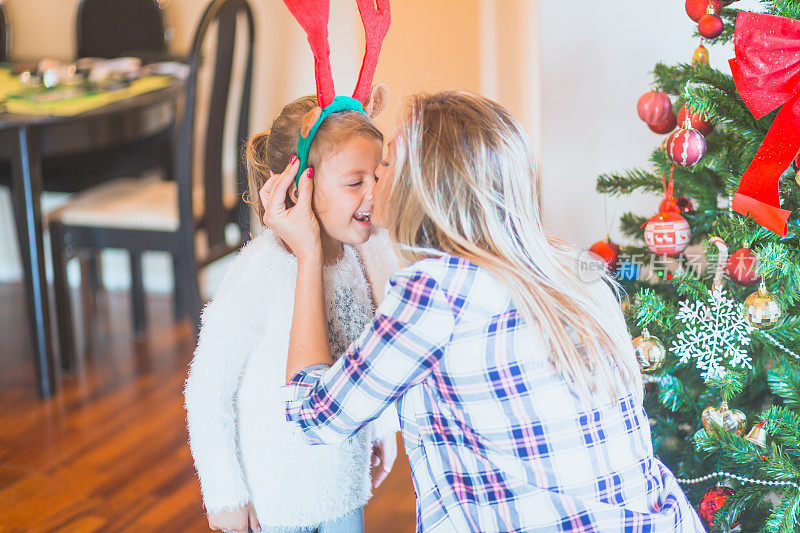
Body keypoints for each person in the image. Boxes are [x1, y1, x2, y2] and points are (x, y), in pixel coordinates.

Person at [261, 91, 705, 532]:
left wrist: (308, 252)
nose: (376, 175)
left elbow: (312, 416)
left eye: (389, 162)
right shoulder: (572, 269)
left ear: (426, 185)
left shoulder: (439, 291)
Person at [184, 93, 398, 533]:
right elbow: (207, 389)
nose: (373, 195)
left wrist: (383, 430)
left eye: (377, 177)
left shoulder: (358, 256)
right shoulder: (260, 273)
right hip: (276, 499)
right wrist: (225, 494)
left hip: (342, 483)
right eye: (354, 182)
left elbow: (374, 352)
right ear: (299, 187)